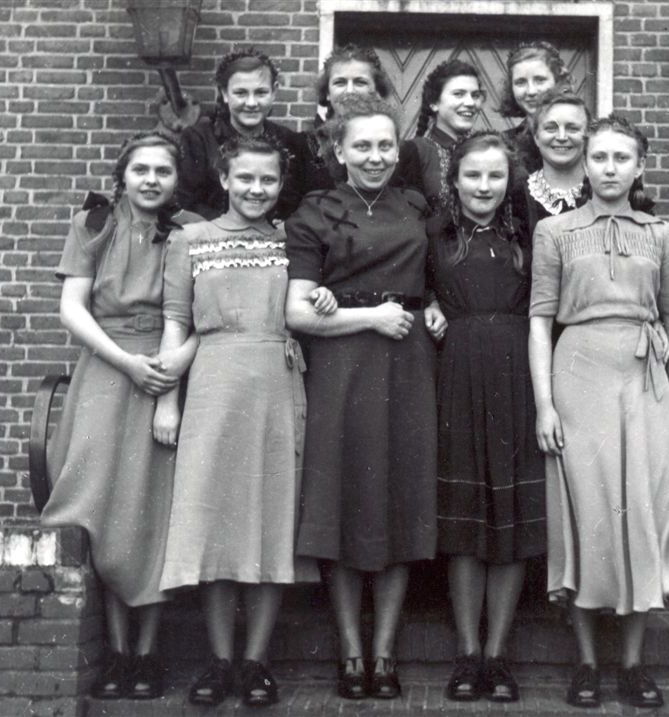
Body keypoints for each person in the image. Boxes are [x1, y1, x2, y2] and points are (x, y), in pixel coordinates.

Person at [528, 115, 669, 709]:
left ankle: (632, 666)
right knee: (588, 514)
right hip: (578, 375)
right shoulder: (553, 231)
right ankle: (585, 664)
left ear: (639, 166)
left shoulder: (661, 233)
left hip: (643, 380)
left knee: (641, 516)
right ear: (584, 163)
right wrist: (545, 403)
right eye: (598, 157)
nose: (608, 168)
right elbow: (540, 321)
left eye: (620, 158)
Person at [158, 136, 335, 707]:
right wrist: (167, 400)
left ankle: (256, 662)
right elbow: (177, 324)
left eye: (268, 181)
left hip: (277, 384)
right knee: (215, 518)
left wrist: (326, 300)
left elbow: (307, 303)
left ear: (281, 186)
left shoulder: (292, 241)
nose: (256, 190)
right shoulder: (191, 240)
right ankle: (219, 660)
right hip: (212, 384)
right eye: (245, 179)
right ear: (225, 179)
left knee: (268, 518)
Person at [285, 95, 447, 701]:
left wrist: (429, 306)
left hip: (408, 361)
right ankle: (351, 653)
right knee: (345, 496)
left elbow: (432, 280)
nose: (376, 157)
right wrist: (365, 317)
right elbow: (296, 311)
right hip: (342, 365)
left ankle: (385, 655)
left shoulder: (416, 206)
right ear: (338, 150)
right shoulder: (315, 213)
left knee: (401, 497)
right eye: (363, 146)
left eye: (386, 145)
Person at [40, 132, 202, 700]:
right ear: (123, 175)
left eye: (163, 170)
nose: (152, 180)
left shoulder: (189, 232)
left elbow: (200, 316)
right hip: (106, 371)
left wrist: (165, 380)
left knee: (150, 508)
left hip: (165, 368)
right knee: (100, 502)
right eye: (141, 170)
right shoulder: (94, 222)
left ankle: (148, 655)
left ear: (176, 179)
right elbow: (72, 308)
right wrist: (125, 363)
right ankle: (113, 651)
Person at [429, 132, 545, 704]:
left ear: (510, 181)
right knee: (467, 523)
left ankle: (498, 654)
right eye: (472, 175)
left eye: (495, 176)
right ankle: (466, 653)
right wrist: (427, 305)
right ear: (454, 180)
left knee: (510, 520)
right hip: (457, 377)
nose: (484, 186)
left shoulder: (529, 236)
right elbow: (415, 290)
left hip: (517, 378)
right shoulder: (437, 237)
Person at [176, 47, 306, 221]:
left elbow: (301, 204)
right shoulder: (197, 139)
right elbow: (186, 203)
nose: (251, 103)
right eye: (240, 93)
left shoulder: (291, 141)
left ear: (274, 92)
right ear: (224, 93)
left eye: (260, 93)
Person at [297, 44, 418, 196]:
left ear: (376, 91)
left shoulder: (405, 152)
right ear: (327, 92)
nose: (349, 91)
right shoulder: (302, 147)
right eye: (340, 82)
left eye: (360, 82)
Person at [399, 59, 483, 213]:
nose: (471, 103)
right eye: (459, 94)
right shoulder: (414, 152)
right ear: (434, 103)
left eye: (475, 95)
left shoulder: (486, 151)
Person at [517, 90, 590, 238]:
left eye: (572, 128)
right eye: (551, 128)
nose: (562, 137)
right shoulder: (517, 196)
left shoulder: (603, 191)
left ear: (587, 136)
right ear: (536, 137)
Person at [499, 41, 573, 174]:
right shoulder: (504, 144)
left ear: (558, 82)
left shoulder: (578, 137)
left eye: (539, 80)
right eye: (520, 82)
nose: (531, 91)